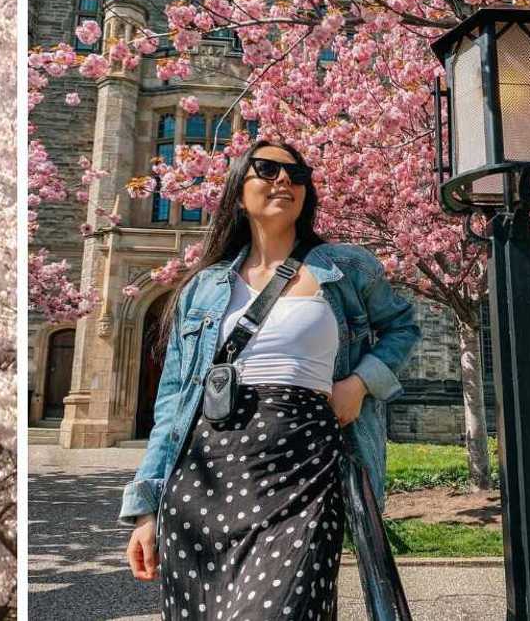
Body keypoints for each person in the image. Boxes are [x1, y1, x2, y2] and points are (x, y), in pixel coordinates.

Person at [120, 140, 422, 620]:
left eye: (296, 174)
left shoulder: (344, 268)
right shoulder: (203, 287)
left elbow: (403, 327)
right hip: (202, 482)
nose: (284, 180)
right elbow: (174, 403)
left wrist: (360, 383)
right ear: (240, 190)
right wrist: (145, 509)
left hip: (303, 472)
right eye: (267, 169)